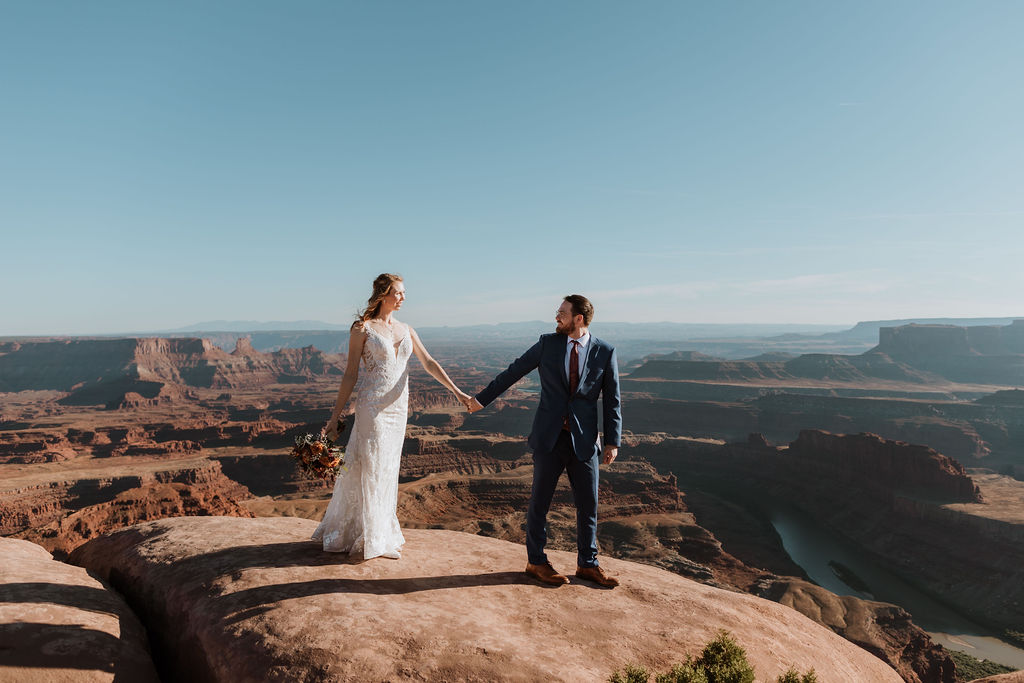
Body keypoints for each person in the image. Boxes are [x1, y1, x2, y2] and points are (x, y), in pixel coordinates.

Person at [312, 273, 473, 559]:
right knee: (371, 466)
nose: (403, 297)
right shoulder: (362, 329)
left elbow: (430, 364)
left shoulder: (406, 329)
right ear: (383, 294)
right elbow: (350, 374)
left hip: (398, 410)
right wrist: (334, 417)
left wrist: (458, 393)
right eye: (398, 292)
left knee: (387, 468)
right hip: (371, 407)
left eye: (403, 292)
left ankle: (380, 532)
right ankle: (370, 537)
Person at [467, 294, 622, 587]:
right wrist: (481, 400)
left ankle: (588, 564)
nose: (556, 317)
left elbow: (612, 400)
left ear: (579, 318)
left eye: (562, 313)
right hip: (549, 437)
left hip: (585, 441)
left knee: (588, 505)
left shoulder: (605, 351)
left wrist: (613, 441)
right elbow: (513, 372)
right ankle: (536, 561)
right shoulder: (547, 344)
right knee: (540, 504)